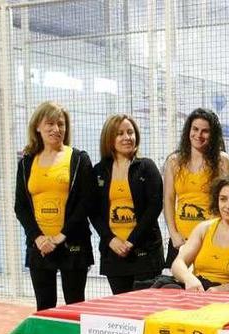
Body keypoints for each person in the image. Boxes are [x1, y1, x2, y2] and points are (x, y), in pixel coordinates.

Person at [14, 101, 94, 310]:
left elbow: (86, 203)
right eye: (50, 123)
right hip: (39, 247)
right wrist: (38, 238)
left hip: (72, 244)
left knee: (75, 305)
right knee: (44, 306)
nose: (56, 129)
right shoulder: (26, 163)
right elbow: (20, 206)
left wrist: (61, 236)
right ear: (37, 127)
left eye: (61, 124)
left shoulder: (79, 159)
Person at [91, 114, 164, 294]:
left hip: (144, 252)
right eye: (120, 133)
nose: (127, 138)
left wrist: (131, 241)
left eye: (130, 132)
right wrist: (110, 240)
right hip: (113, 253)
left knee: (145, 310)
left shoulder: (147, 167)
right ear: (109, 138)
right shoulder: (99, 171)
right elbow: (93, 212)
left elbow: (154, 206)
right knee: (122, 312)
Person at [170, 173, 229, 292]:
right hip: (199, 291)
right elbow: (178, 263)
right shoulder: (204, 228)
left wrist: (227, 288)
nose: (228, 206)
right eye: (223, 199)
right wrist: (189, 278)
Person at [163, 108, 229, 266]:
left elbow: (227, 199)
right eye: (195, 129)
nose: (199, 135)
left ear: (213, 135)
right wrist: (174, 235)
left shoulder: (222, 161)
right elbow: (168, 199)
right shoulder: (174, 161)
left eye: (205, 131)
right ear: (188, 130)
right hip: (180, 241)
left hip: (211, 239)